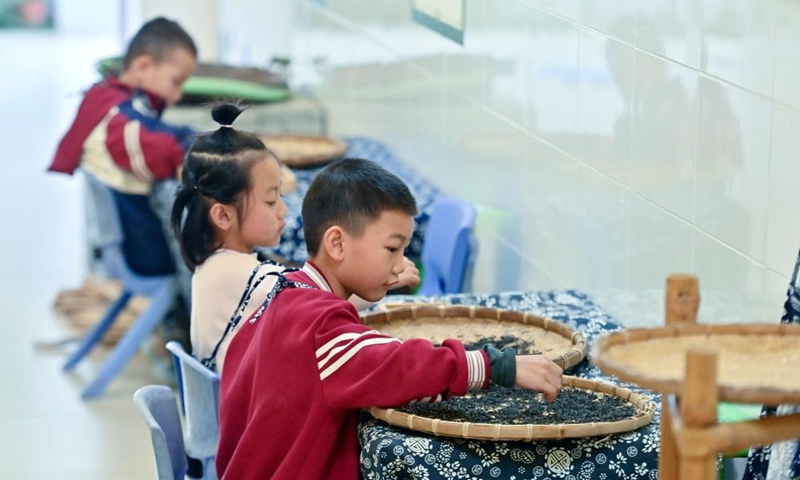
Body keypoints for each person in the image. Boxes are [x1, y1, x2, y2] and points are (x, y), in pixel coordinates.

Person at [215, 158, 564, 480]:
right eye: (391, 249)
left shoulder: (286, 292)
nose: (399, 264)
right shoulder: (321, 327)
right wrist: (498, 366)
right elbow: (400, 365)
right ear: (336, 243)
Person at [171, 103, 420, 373]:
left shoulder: (220, 265)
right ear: (223, 216)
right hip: (240, 412)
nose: (283, 209)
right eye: (270, 200)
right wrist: (378, 280)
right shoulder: (235, 273)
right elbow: (317, 302)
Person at [49, 16, 198, 276]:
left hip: (122, 242)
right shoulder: (120, 119)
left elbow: (155, 131)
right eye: (175, 82)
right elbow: (157, 147)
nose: (176, 97)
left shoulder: (105, 96)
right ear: (143, 66)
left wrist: (187, 135)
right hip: (142, 253)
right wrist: (195, 148)